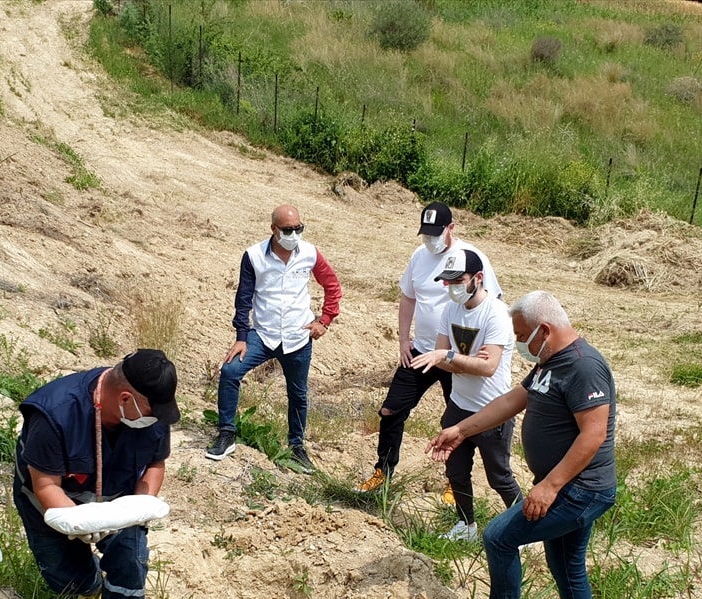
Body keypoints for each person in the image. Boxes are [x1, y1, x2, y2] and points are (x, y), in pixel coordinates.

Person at [426, 291, 617, 599]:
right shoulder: (550, 363)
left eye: (521, 335)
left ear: (544, 330)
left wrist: (549, 486)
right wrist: (461, 430)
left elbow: (592, 435)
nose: (518, 344)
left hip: (580, 489)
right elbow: (513, 399)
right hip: (568, 485)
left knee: (499, 536)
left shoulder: (583, 367)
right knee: (567, 564)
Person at [12, 349, 180, 599]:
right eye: (152, 412)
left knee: (130, 560)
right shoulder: (55, 414)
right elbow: (45, 485)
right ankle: (87, 585)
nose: (157, 419)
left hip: (118, 495)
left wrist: (138, 506)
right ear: (126, 399)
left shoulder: (151, 413)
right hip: (49, 499)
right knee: (64, 575)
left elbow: (156, 463)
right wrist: (79, 524)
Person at [354, 202, 503, 494]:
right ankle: (383, 472)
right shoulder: (418, 257)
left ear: (451, 229)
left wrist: (484, 348)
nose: (430, 240)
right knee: (390, 410)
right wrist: (403, 340)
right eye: (426, 234)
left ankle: (454, 484)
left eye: (437, 234)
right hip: (422, 351)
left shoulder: (471, 258)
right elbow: (408, 298)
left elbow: (492, 300)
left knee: (458, 419)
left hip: (457, 357)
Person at [205, 204, 342, 474]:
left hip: (298, 335)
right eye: (288, 230)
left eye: (298, 229)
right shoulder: (254, 256)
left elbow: (332, 286)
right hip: (263, 334)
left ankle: (297, 446)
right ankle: (227, 433)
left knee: (298, 394)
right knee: (230, 371)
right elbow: (243, 299)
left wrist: (325, 320)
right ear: (273, 229)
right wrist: (241, 337)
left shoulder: (310, 254)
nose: (294, 234)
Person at [410, 248, 522, 541]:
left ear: (478, 278)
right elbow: (441, 358)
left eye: (458, 280)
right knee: (455, 471)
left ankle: (525, 528)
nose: (451, 288)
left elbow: (487, 368)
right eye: (447, 282)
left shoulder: (497, 314)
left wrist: (452, 357)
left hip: (491, 410)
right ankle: (466, 525)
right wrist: (461, 359)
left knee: (499, 477)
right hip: (458, 405)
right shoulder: (450, 309)